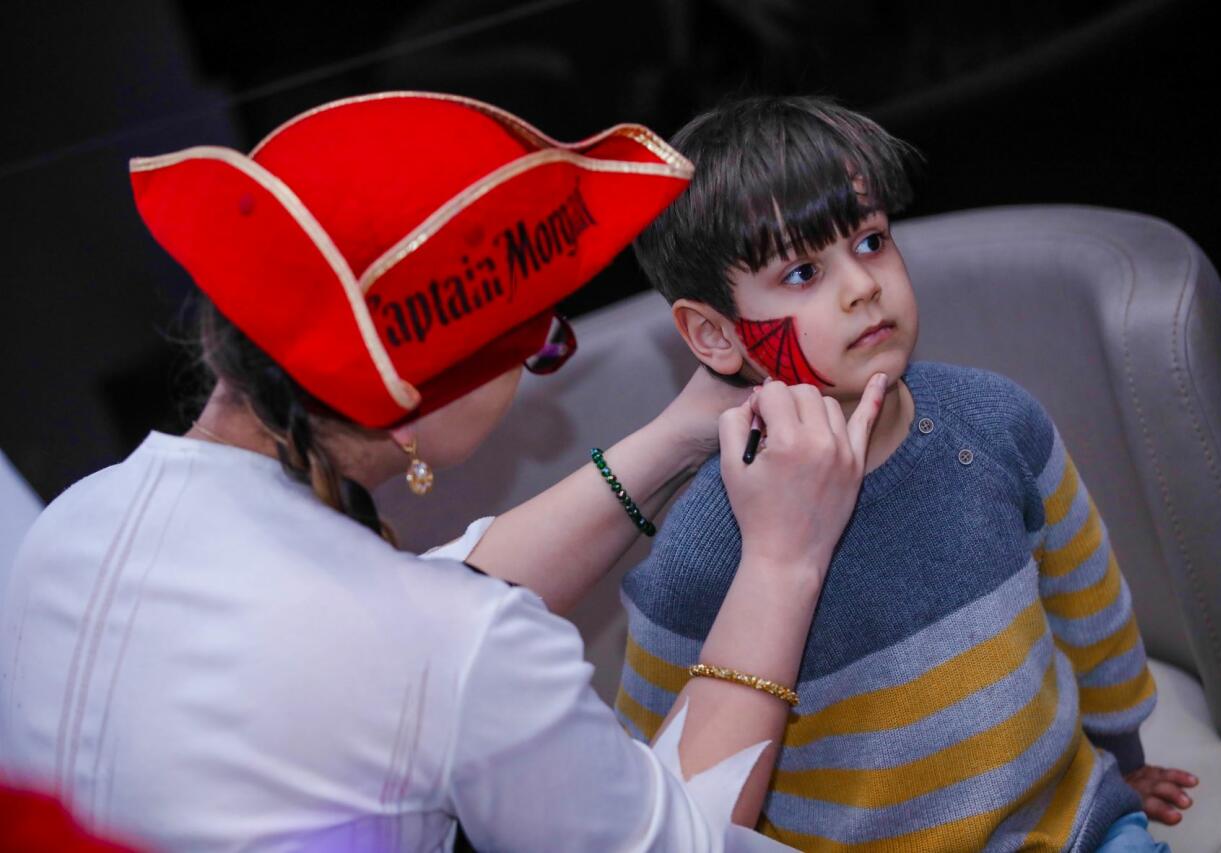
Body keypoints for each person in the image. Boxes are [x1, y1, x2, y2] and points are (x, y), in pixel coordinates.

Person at [0, 92, 892, 851]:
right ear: (415, 403)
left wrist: (677, 434)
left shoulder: (75, 523)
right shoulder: (445, 647)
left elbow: (420, 617)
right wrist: (782, 559)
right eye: (540, 342)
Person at [614, 94, 1198, 851]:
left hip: (1072, 827)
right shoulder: (702, 549)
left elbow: (1088, 596)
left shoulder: (998, 423)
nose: (863, 284)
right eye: (802, 271)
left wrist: (1124, 756)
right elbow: (651, 778)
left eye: (871, 240)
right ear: (715, 334)